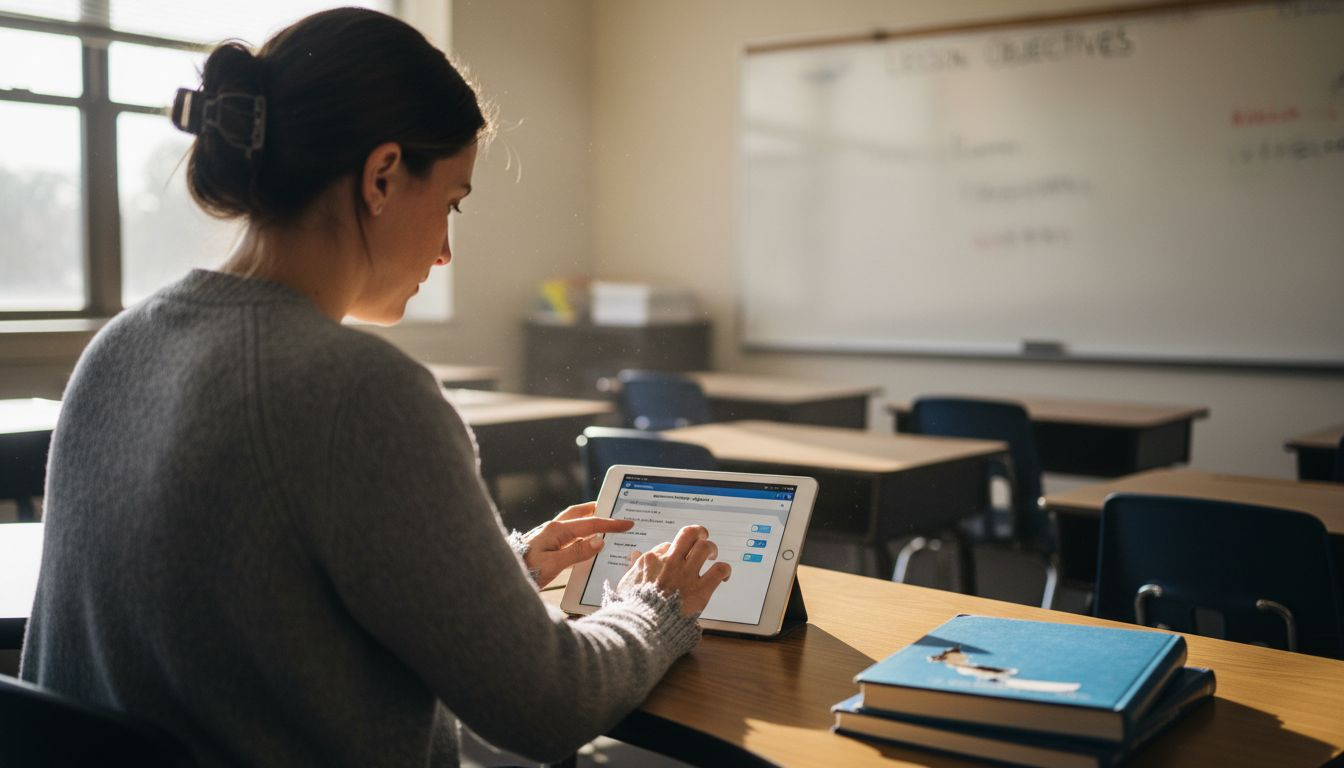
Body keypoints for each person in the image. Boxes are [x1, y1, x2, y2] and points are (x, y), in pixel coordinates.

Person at [19, 8, 730, 767]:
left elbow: (251, 597)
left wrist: (503, 571)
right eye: (452, 202)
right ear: (383, 176)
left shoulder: (117, 349)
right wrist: (653, 608)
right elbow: (548, 709)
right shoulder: (358, 391)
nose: (448, 252)